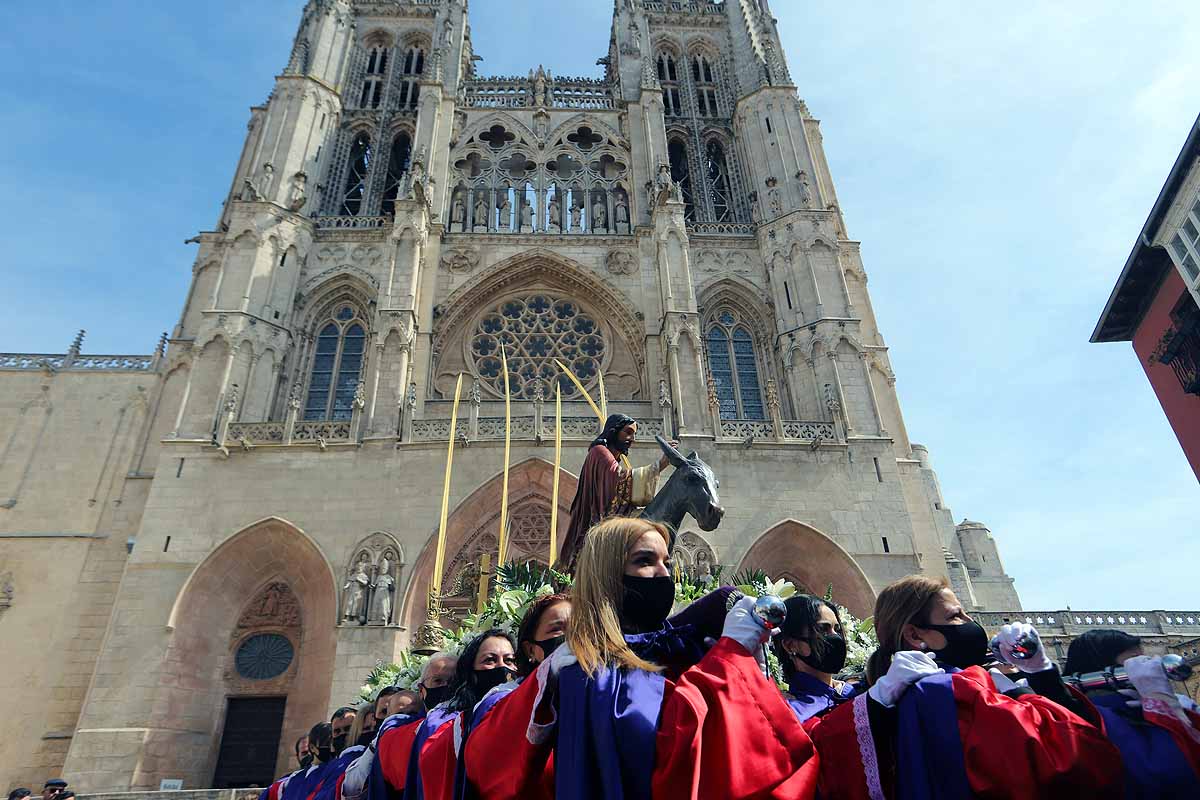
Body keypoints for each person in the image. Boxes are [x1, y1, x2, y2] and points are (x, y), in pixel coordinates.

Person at [462, 516, 819, 800]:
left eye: (665, 560)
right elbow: (667, 759)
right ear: (608, 577)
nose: (663, 573)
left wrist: (743, 658)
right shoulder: (593, 671)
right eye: (644, 561)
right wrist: (731, 657)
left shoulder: (679, 646)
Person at [810, 575, 1124, 799]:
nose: (969, 621)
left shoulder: (897, 698)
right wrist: (1033, 684)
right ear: (916, 635)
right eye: (955, 615)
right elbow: (1078, 757)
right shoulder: (956, 692)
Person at [1063, 629, 1200, 796]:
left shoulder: (1172, 702)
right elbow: (1171, 775)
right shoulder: (1093, 717)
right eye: (1136, 661)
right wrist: (1162, 705)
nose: (1152, 666)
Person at [560, 414, 674, 568]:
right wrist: (659, 465)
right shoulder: (600, 452)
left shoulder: (606, 454)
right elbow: (620, 480)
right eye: (627, 432)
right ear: (614, 431)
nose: (632, 439)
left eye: (634, 434)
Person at [341, 654, 460, 800]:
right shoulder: (394, 736)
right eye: (437, 681)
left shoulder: (465, 720)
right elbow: (351, 788)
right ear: (422, 691)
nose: (445, 687)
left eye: (453, 681)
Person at [418, 630, 518, 800]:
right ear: (471, 671)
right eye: (490, 660)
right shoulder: (454, 725)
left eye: (509, 660)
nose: (502, 667)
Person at [772, 594, 858, 723]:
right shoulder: (792, 713)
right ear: (790, 645)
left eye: (837, 630)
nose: (836, 637)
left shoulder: (857, 691)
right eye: (823, 629)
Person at [516, 592, 571, 677]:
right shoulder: (510, 690)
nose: (571, 637)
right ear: (530, 650)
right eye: (557, 629)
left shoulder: (593, 685)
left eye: (577, 629)